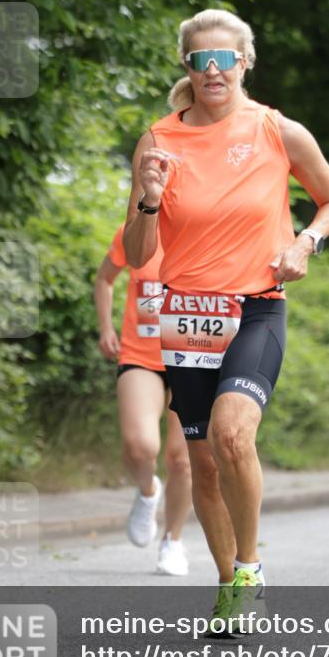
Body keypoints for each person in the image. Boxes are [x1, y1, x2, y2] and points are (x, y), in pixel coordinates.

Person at [123, 8, 329, 632]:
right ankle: (229, 586)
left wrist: (305, 244)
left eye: (226, 59)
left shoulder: (278, 130)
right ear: (188, 67)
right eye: (202, 60)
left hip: (256, 307)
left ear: (245, 62)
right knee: (201, 464)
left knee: (231, 436)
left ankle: (250, 568)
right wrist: (147, 197)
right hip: (188, 314)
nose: (214, 70)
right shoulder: (159, 140)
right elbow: (139, 254)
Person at [95, 223, 192, 573]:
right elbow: (105, 279)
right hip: (141, 355)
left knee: (181, 459)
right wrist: (106, 328)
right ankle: (148, 490)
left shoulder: (210, 230)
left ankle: (173, 542)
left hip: (195, 356)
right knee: (140, 446)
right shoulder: (135, 232)